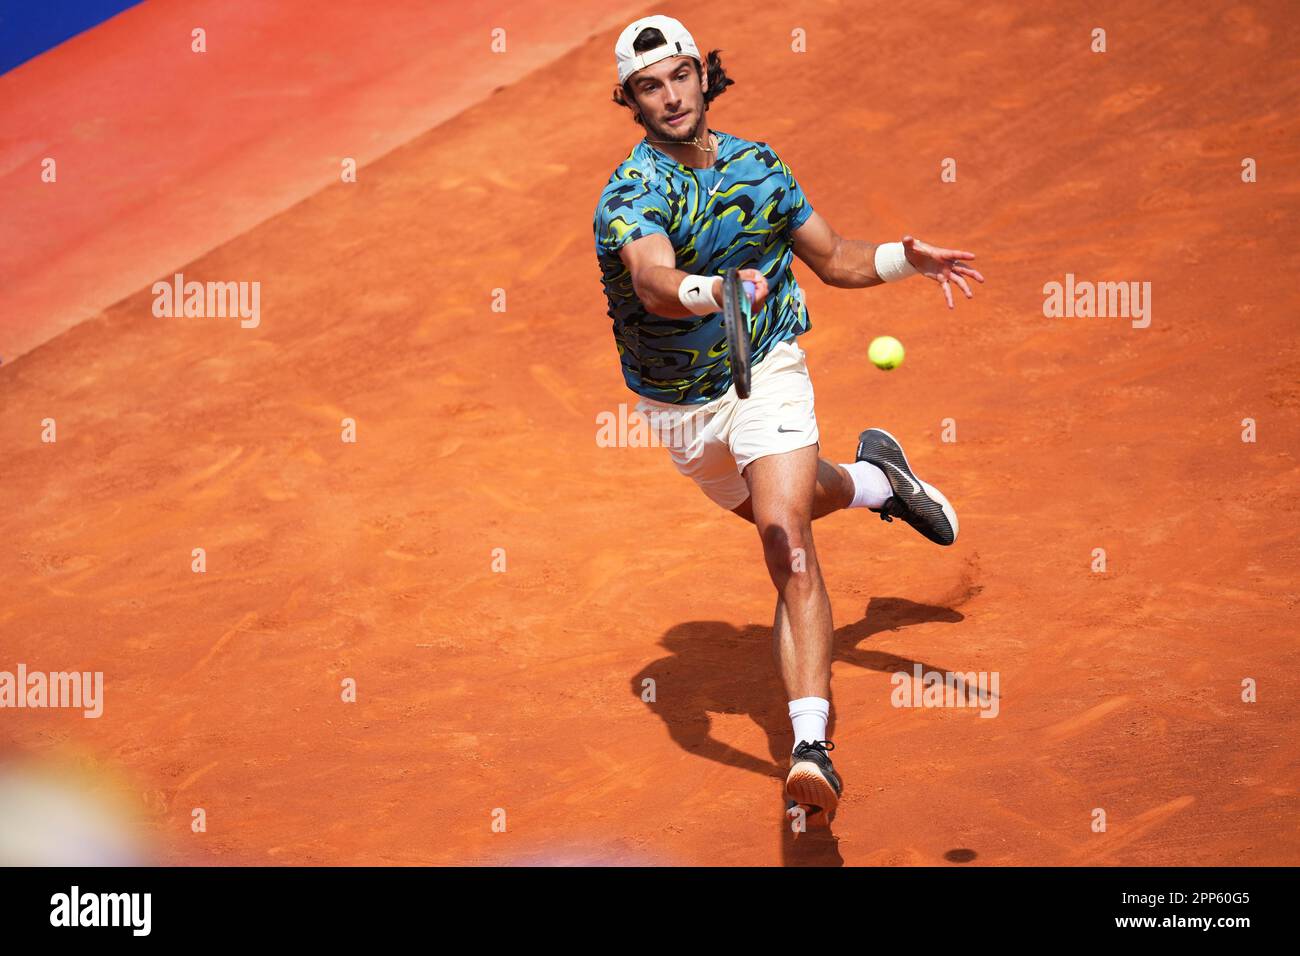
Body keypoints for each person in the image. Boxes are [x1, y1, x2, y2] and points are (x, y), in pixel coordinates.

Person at [593, 15, 983, 825]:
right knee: (787, 507)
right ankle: (879, 480)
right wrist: (716, 290)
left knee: (785, 540)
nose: (669, 97)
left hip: (765, 366)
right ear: (629, 100)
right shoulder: (631, 193)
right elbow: (656, 280)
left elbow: (833, 256)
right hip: (678, 402)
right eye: (649, 87)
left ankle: (811, 749)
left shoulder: (757, 164)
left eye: (680, 77)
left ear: (705, 75)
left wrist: (903, 260)